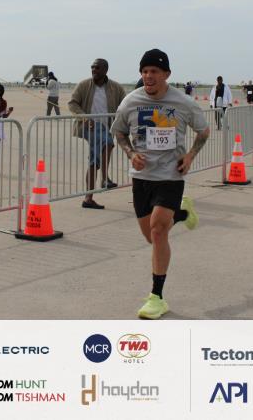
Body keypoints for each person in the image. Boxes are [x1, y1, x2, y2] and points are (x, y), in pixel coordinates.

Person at [112, 49, 208, 319]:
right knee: (151, 236)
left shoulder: (183, 102)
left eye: (154, 71)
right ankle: (182, 213)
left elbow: (203, 130)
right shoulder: (131, 101)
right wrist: (131, 153)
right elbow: (119, 131)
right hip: (142, 177)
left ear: (166, 74)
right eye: (144, 71)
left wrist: (190, 156)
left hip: (170, 175)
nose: (148, 76)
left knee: (157, 231)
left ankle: (157, 297)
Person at [68, 58, 126, 209]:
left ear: (106, 70)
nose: (94, 70)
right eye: (92, 67)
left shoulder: (115, 88)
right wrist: (85, 118)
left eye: (97, 68)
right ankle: (105, 178)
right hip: (89, 127)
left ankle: (88, 199)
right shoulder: (84, 85)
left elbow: (125, 104)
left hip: (108, 127)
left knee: (94, 162)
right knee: (108, 143)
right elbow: (72, 103)